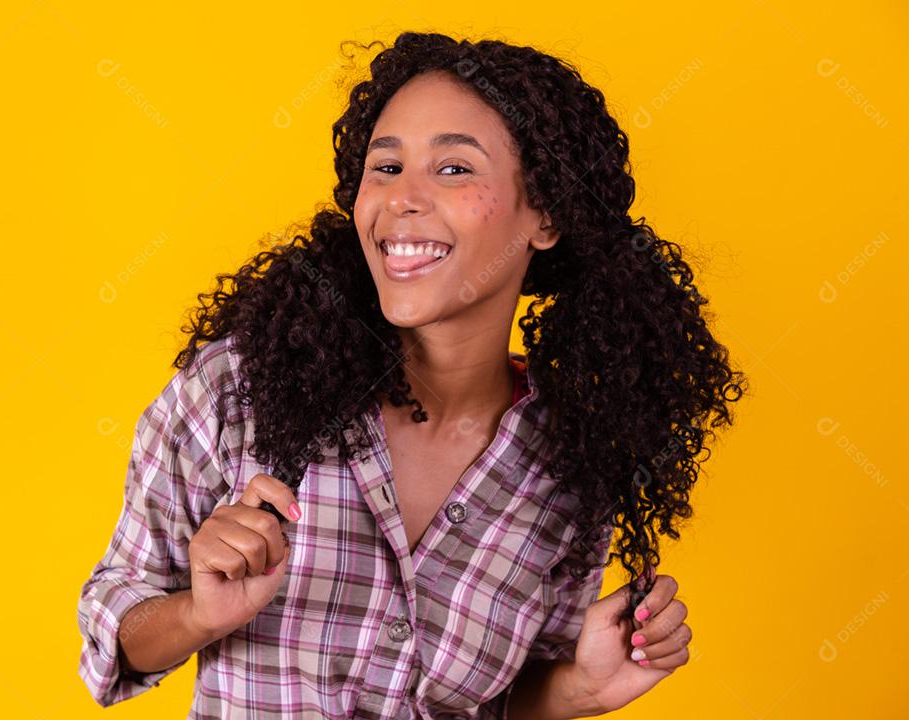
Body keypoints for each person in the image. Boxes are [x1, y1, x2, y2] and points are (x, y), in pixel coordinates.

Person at [76, 31, 745, 719]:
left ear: (545, 215)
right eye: (386, 168)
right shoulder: (234, 393)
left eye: (453, 169)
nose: (402, 199)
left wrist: (577, 690)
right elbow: (113, 626)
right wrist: (197, 614)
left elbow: (497, 703)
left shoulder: (573, 463)